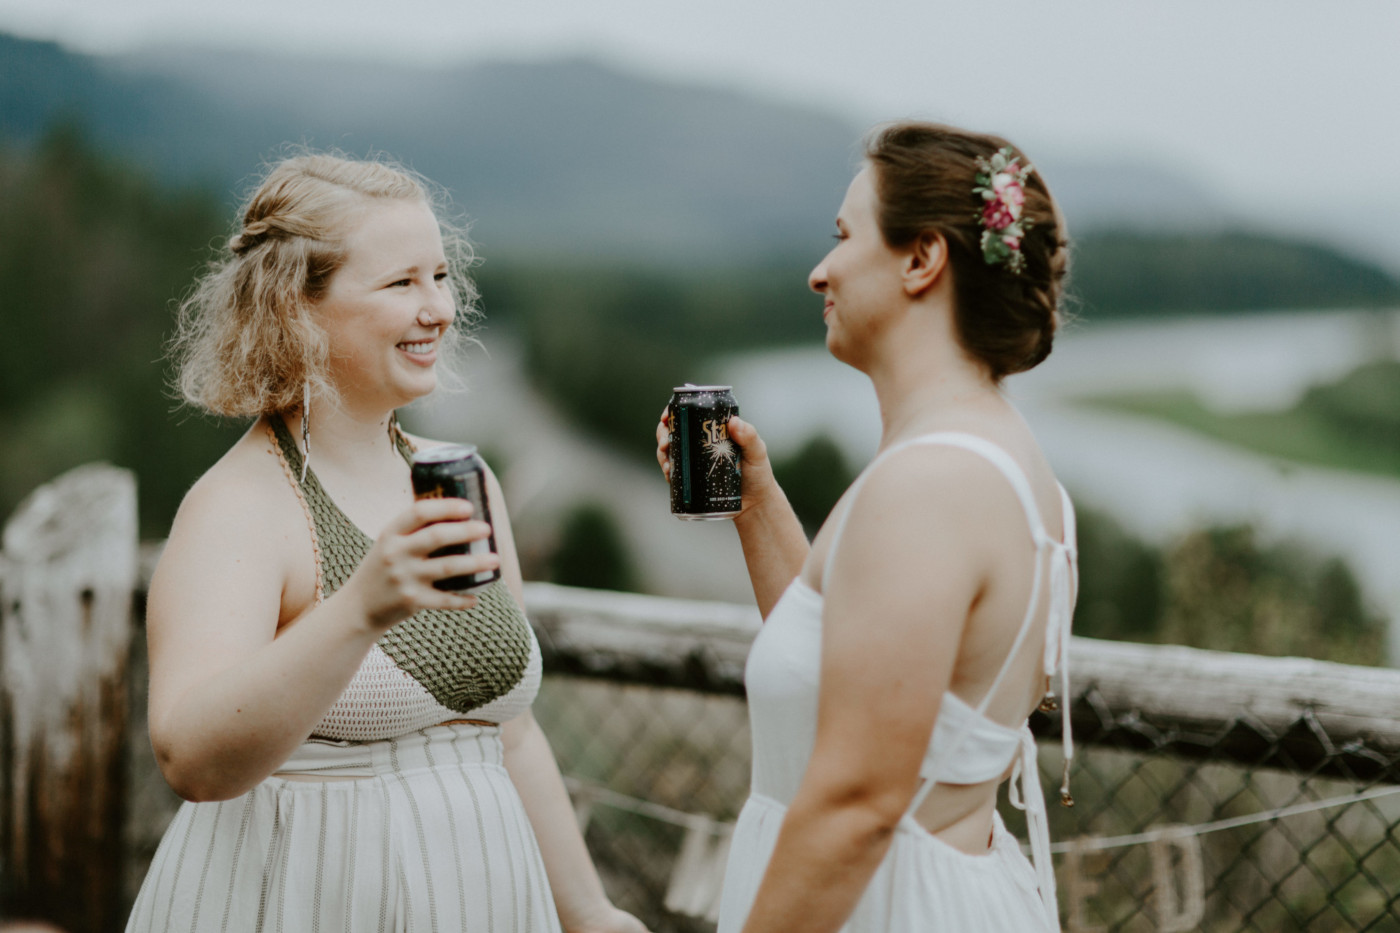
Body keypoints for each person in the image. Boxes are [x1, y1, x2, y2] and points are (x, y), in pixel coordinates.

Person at [128, 151, 646, 933]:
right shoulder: (238, 506)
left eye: (440, 276)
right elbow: (190, 758)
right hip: (304, 900)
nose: (437, 307)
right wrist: (360, 607)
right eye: (401, 282)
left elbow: (507, 729)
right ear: (295, 310)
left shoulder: (461, 482)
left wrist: (588, 911)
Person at [656, 121, 1077, 932]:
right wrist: (756, 503)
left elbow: (854, 805)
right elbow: (852, 675)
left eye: (844, 237)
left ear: (921, 259)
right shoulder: (1013, 469)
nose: (821, 272)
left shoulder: (927, 486)